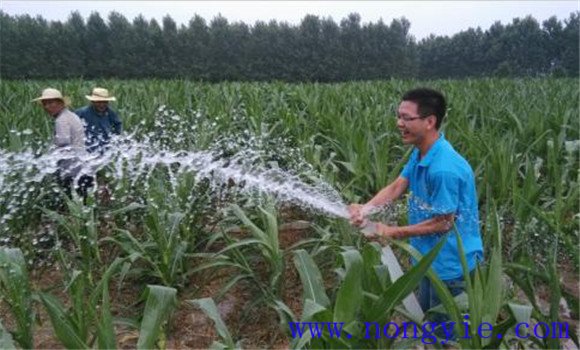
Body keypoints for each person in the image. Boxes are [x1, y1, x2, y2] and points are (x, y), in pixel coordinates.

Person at [348, 88, 483, 335]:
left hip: (450, 267)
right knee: (427, 321)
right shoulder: (423, 151)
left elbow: (444, 223)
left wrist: (391, 231)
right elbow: (398, 185)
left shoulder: (443, 169)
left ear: (430, 121)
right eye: (398, 116)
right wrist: (366, 209)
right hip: (426, 258)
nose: (399, 123)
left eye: (406, 118)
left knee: (447, 336)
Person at [32, 88, 93, 200]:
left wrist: (46, 158)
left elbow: (63, 143)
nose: (47, 107)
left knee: (73, 205)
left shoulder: (61, 120)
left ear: (60, 103)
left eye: (51, 103)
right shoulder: (71, 115)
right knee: (84, 204)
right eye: (45, 104)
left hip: (73, 170)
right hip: (83, 167)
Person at [75, 87, 122, 154]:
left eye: (105, 102)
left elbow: (118, 124)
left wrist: (114, 138)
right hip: (86, 149)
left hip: (104, 148)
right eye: (99, 102)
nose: (102, 105)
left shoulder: (110, 113)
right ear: (92, 102)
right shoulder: (82, 112)